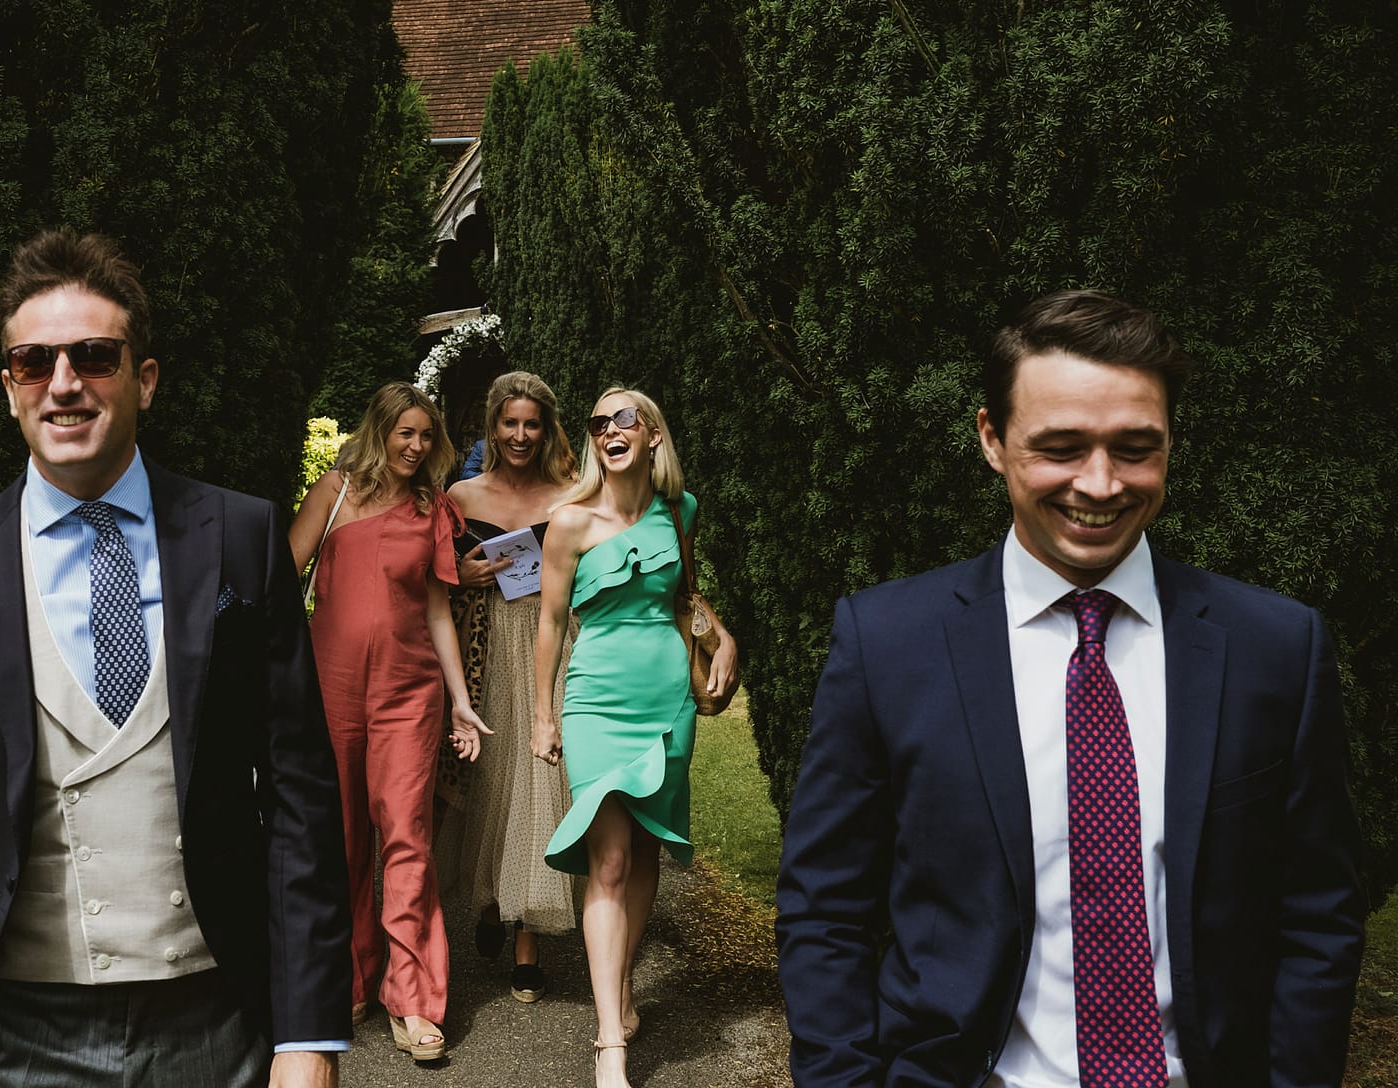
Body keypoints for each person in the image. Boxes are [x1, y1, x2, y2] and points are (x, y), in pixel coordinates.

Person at [775, 290, 1366, 1087]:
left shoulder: (1275, 648)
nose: (1100, 483)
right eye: (1061, 446)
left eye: (1134, 447)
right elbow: (826, 911)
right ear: (992, 438)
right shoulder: (888, 645)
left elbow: (1318, 914)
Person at [0, 228, 351, 1088]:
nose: (63, 383)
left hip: (216, 1021)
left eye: (93, 356)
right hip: (16, 1038)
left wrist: (309, 1037)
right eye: (32, 362)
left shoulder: (240, 536)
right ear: (8, 388)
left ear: (144, 380)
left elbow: (301, 800)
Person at [530, 387, 737, 1088]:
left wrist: (721, 631)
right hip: (596, 701)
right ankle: (608, 1042)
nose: (610, 429)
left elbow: (682, 598)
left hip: (668, 697)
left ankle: (618, 993)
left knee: (644, 844)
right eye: (599, 422)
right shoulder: (568, 523)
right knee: (609, 859)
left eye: (625, 418)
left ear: (652, 434)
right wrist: (542, 715)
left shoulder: (682, 511)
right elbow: (551, 624)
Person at [289, 381, 491, 1064]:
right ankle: (348, 976)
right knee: (339, 836)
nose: (416, 446)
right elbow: (285, 576)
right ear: (379, 432)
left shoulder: (430, 508)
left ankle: (412, 997)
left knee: (407, 837)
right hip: (331, 689)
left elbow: (438, 610)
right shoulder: (335, 492)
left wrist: (461, 700)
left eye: (426, 436)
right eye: (405, 433)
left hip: (410, 695)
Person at [437, 371, 581, 1003]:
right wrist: (459, 574)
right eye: (509, 423)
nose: (520, 435)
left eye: (532, 424)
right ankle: (491, 900)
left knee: (540, 778)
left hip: (551, 642)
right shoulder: (461, 495)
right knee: (491, 779)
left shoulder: (573, 494)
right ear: (491, 427)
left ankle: (528, 936)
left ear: (546, 428)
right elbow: (428, 578)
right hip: (482, 644)